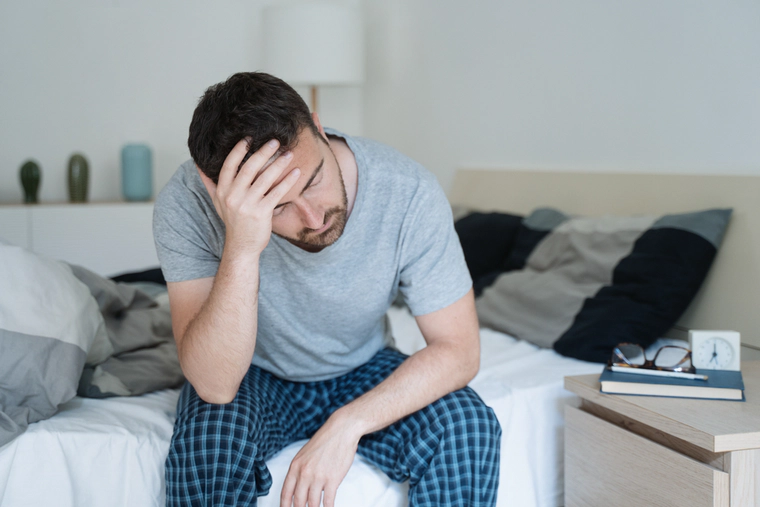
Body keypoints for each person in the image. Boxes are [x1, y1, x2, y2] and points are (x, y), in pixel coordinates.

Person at [153, 71, 501, 507]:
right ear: (216, 189)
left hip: (362, 366)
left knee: (467, 426)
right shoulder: (186, 202)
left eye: (313, 179)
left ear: (319, 127)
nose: (313, 218)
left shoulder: (409, 192)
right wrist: (242, 246)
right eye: (277, 206)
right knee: (208, 449)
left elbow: (459, 350)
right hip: (254, 375)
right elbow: (216, 386)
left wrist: (348, 424)